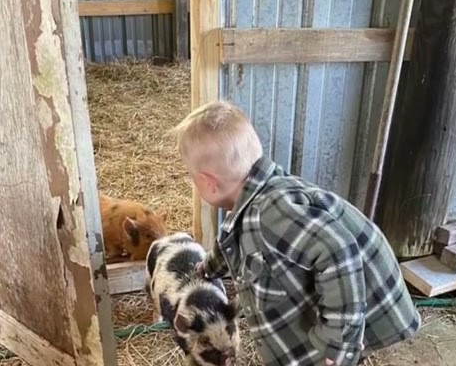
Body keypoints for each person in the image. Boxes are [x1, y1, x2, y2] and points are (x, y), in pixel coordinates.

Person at [169, 100, 420, 366]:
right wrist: (208, 268)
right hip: (336, 308)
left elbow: (340, 253)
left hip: (356, 313)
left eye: (192, 178)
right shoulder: (249, 205)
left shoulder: (270, 212)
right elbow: (231, 240)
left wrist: (338, 344)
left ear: (209, 183)